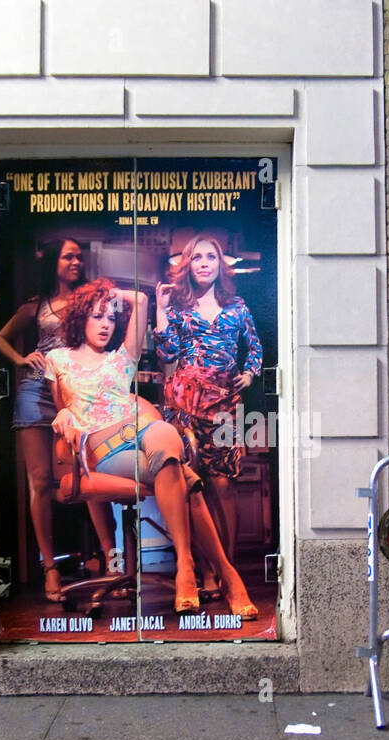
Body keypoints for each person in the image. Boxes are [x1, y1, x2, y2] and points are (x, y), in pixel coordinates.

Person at [46, 278, 258, 619]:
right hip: (106, 447)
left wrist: (106, 294)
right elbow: (62, 406)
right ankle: (221, 574)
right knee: (187, 481)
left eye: (111, 317)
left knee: (160, 430)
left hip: (143, 431)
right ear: (80, 318)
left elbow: (142, 300)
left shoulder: (121, 358)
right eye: (96, 315)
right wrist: (64, 412)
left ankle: (187, 566)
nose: (105, 324)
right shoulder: (57, 359)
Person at [0, 238, 112, 601]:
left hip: (76, 390)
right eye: (69, 256)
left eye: (79, 257)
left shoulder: (88, 300)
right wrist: (19, 359)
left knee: (90, 472)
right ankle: (50, 568)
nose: (76, 261)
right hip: (35, 391)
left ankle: (112, 559)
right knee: (41, 481)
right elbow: (0, 338)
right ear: (54, 262)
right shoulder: (36, 305)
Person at [154, 233, 263, 597]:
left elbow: (255, 346)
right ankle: (204, 573)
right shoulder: (179, 309)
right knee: (192, 488)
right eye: (197, 257)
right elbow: (167, 353)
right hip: (184, 405)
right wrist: (159, 309)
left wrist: (249, 373)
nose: (204, 263)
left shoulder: (237, 307)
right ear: (188, 264)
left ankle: (225, 567)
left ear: (220, 265)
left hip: (224, 408)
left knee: (223, 487)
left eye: (211, 257)